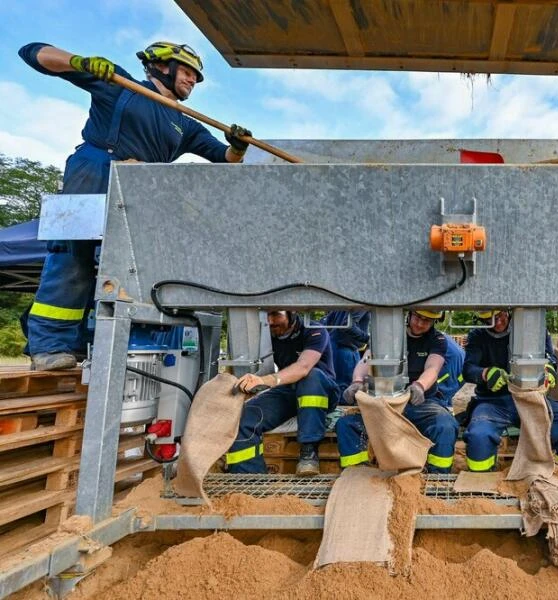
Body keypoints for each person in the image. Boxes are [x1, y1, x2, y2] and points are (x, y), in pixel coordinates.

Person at [18, 41, 252, 371]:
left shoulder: (184, 123)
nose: (192, 81)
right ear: (161, 67)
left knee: (118, 268)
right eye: (187, 72)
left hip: (139, 192)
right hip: (95, 170)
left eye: (196, 78)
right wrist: (79, 61)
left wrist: (238, 148)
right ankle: (48, 345)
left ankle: (87, 344)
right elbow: (32, 53)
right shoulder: (119, 85)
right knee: (72, 259)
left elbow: (223, 158)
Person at [462, 310, 558, 472]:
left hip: (533, 397)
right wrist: (486, 373)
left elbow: (550, 356)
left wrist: (550, 368)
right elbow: (468, 369)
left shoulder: (534, 330)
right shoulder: (477, 336)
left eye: (500, 316)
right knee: (479, 436)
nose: (498, 322)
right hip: (493, 403)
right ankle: (481, 485)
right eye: (489, 320)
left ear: (508, 310)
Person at [336, 310, 459, 472]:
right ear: (409, 314)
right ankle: (356, 474)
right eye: (418, 317)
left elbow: (432, 368)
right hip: (385, 403)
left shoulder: (437, 340)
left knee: (445, 426)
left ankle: (437, 477)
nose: (421, 324)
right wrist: (357, 381)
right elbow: (367, 359)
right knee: (346, 425)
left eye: (427, 321)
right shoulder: (386, 336)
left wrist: (419, 386)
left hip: (421, 403)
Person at [227, 311, 339, 476]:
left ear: (292, 312)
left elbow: (303, 367)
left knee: (311, 377)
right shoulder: (267, 337)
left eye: (276, 315)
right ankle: (249, 479)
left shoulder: (314, 330)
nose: (271, 321)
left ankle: (309, 452)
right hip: (289, 390)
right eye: (267, 316)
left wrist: (266, 380)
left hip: (322, 391)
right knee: (245, 416)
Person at [320, 310, 371, 394]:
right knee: (346, 392)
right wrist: (367, 339)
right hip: (346, 350)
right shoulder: (361, 302)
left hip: (336, 347)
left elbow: (327, 323)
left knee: (337, 389)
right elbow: (348, 325)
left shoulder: (344, 301)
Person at [437, 332, 465, 407]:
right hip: (461, 370)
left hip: (453, 368)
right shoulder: (442, 336)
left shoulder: (435, 338)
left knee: (442, 395)